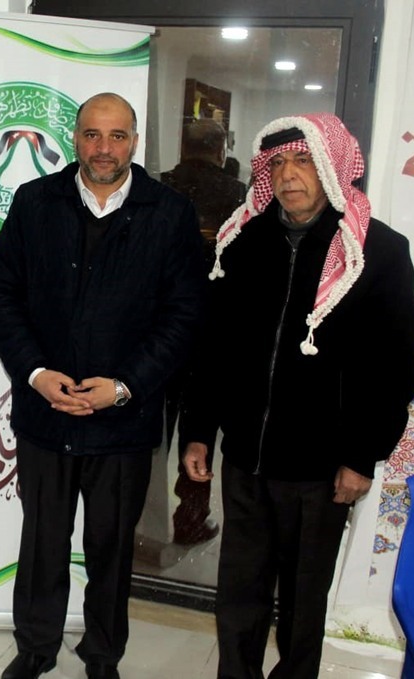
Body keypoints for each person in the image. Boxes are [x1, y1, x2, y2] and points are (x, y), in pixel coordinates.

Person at [182, 113, 414, 679]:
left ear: (334, 166)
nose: (289, 175)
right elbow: (214, 349)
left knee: (302, 604)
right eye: (279, 163)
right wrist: (198, 430)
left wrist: (361, 456)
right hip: (247, 459)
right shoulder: (242, 242)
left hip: (321, 469)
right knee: (239, 595)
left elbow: (395, 369)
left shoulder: (376, 251)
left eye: (304, 161)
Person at [0, 92, 205, 679]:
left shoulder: (170, 213)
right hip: (46, 413)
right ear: (75, 138)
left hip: (123, 420)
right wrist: (36, 374)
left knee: (112, 548)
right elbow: (1, 296)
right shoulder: (35, 202)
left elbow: (183, 316)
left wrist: (125, 386)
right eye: (92, 135)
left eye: (117, 136)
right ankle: (35, 648)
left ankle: (103, 654)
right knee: (42, 543)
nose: (104, 148)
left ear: (135, 142)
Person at [160, 118, 247, 546]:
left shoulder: (160, 186)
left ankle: (139, 515)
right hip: (211, 329)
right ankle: (190, 517)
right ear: (219, 150)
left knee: (153, 429)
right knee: (199, 432)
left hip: (159, 330)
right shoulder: (238, 194)